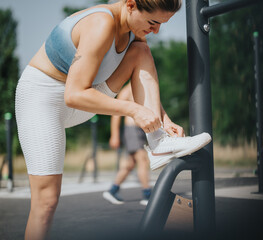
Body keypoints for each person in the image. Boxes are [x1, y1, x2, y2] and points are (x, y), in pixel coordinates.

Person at [15, 0, 211, 239]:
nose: (156, 31)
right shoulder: (101, 23)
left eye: (161, 24)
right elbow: (74, 94)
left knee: (141, 51)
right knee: (45, 202)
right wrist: (133, 110)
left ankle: (158, 141)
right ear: (130, 5)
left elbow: (142, 77)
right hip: (42, 102)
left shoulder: (135, 32)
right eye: (152, 23)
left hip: (86, 98)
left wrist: (163, 119)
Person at [103, 83, 151, 205]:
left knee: (130, 164)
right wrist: (114, 135)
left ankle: (113, 190)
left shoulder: (143, 87)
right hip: (132, 130)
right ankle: (147, 195)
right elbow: (116, 113)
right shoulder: (127, 90)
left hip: (139, 130)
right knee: (143, 160)